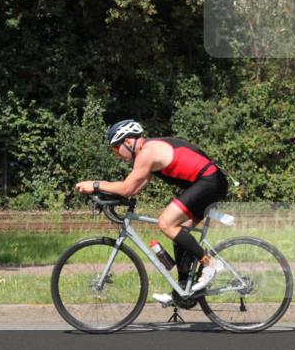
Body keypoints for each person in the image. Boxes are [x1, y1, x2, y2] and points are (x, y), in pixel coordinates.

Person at [75, 119, 229, 305]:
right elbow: (133, 189)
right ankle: (182, 290)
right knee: (178, 231)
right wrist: (106, 195)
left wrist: (96, 185)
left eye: (116, 149)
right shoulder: (148, 152)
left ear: (128, 141)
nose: (117, 155)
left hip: (209, 182)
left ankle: (210, 264)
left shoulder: (147, 153)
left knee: (166, 223)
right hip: (209, 183)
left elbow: (126, 188)